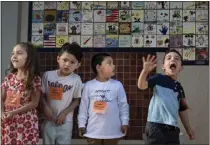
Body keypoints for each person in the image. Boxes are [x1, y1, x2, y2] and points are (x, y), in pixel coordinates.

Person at [137, 49, 195, 144]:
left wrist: (188, 129)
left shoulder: (179, 88)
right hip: (156, 126)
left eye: (176, 58)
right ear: (163, 66)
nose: (173, 60)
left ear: (180, 68)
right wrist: (145, 71)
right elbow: (141, 85)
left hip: (172, 129)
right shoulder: (159, 78)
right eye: (169, 58)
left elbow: (182, 110)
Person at [78, 53, 129, 145]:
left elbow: (123, 106)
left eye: (113, 63)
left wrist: (125, 122)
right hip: (93, 132)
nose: (113, 65)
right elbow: (83, 107)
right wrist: (81, 125)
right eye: (109, 63)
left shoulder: (117, 85)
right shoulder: (89, 85)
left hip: (113, 132)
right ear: (98, 67)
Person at [41, 42, 83, 145]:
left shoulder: (76, 80)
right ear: (58, 58)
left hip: (65, 121)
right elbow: (41, 95)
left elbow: (76, 100)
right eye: (65, 60)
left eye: (72, 62)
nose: (67, 64)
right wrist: (45, 107)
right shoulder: (48, 75)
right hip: (48, 120)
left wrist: (65, 113)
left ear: (78, 65)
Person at [1, 42, 41, 144]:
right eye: (13, 53)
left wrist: (14, 112)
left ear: (29, 58)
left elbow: (34, 103)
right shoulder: (9, 78)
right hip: (8, 121)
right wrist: (1, 112)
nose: (14, 56)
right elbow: (1, 98)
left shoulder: (34, 79)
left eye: (19, 53)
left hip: (25, 122)